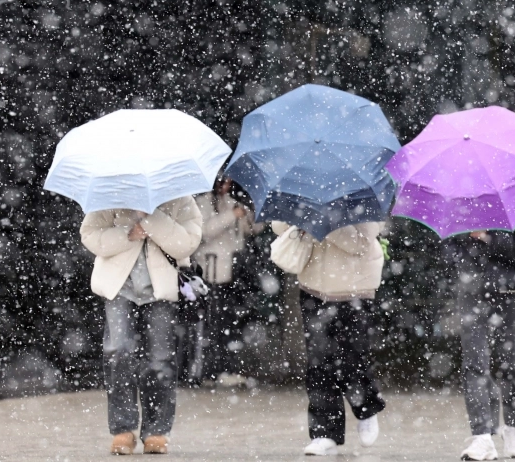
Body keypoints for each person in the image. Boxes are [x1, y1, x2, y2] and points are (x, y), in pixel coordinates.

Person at [80, 196, 203, 456]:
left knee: (160, 359)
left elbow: (188, 243)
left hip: (162, 291)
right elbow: (89, 234)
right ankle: (123, 429)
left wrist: (151, 220)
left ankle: (157, 431)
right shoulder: (112, 194)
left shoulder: (180, 198)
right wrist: (128, 233)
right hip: (119, 287)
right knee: (118, 352)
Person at [271, 220, 386, 456]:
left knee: (352, 358)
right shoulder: (308, 196)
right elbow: (279, 226)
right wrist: (300, 216)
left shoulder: (366, 200)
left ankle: (366, 408)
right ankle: (324, 432)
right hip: (314, 287)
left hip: (355, 288)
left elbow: (359, 243)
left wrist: (325, 221)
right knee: (318, 363)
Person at [444, 216, 515, 461]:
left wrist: (489, 237)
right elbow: (446, 247)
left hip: (514, 291)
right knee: (474, 363)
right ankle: (482, 435)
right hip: (472, 292)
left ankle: (514, 427)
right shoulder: (459, 204)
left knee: (511, 363)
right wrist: (465, 263)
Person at [188, 178, 263, 386]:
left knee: (230, 320)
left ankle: (228, 367)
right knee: (213, 321)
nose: (226, 187)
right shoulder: (201, 203)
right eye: (223, 183)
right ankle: (210, 370)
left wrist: (250, 213)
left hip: (233, 269)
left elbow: (252, 229)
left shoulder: (232, 201)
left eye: (230, 183)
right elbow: (204, 231)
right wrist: (231, 215)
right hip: (211, 269)